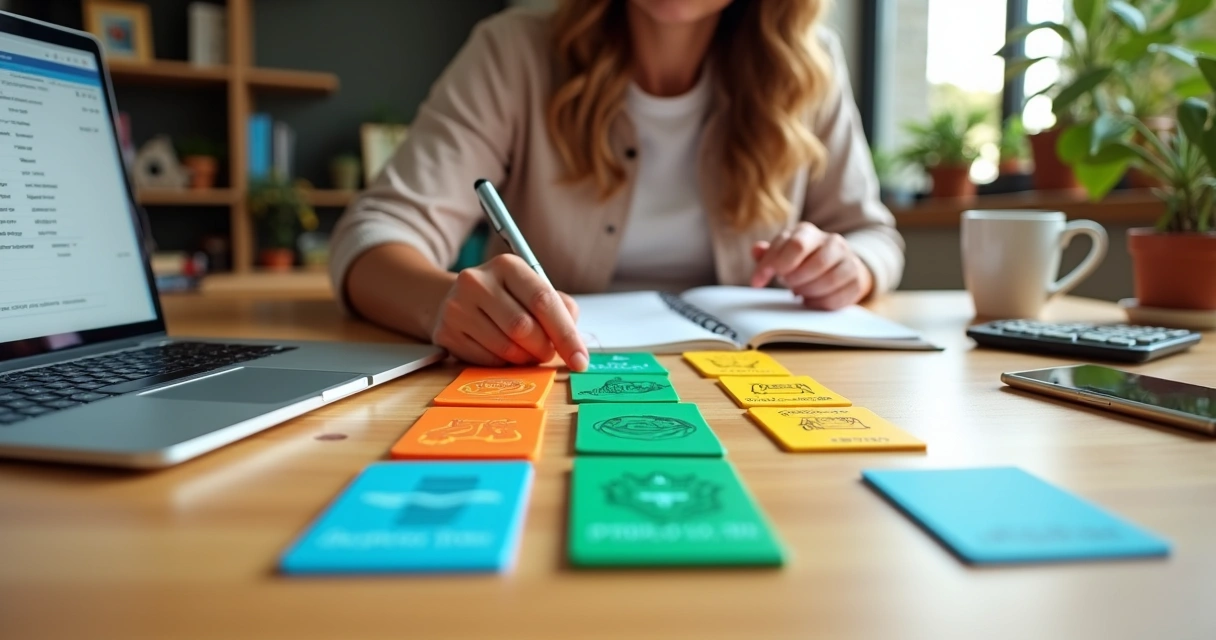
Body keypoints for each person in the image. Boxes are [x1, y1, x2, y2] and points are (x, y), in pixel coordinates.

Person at [330, 0, 904, 372]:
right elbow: (374, 234)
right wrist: (440, 304)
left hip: (753, 379)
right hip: (561, 378)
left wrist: (853, 264)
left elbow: (872, 233)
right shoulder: (514, 50)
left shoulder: (810, 64)